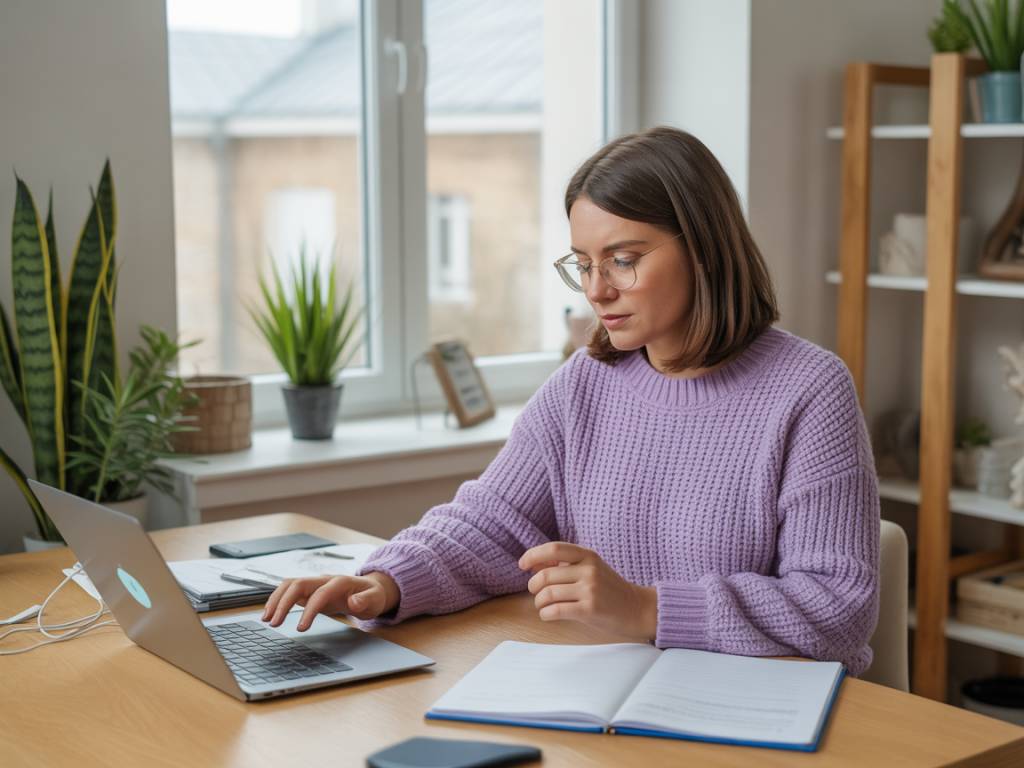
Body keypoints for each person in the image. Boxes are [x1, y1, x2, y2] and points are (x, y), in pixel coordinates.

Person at [262, 126, 880, 675]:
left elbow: (836, 606)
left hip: (760, 712)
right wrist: (384, 582)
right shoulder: (585, 382)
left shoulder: (809, 391)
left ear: (705, 250)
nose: (597, 290)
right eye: (583, 264)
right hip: (610, 694)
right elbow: (493, 523)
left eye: (624, 260)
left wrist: (646, 607)